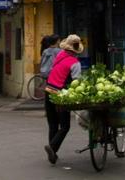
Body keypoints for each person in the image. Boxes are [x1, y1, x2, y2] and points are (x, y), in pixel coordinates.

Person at [43, 34, 83, 165]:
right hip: (60, 95)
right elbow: (76, 82)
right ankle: (52, 147)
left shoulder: (59, 55)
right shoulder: (75, 63)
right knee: (65, 126)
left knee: (53, 123)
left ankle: (53, 153)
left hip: (48, 90)